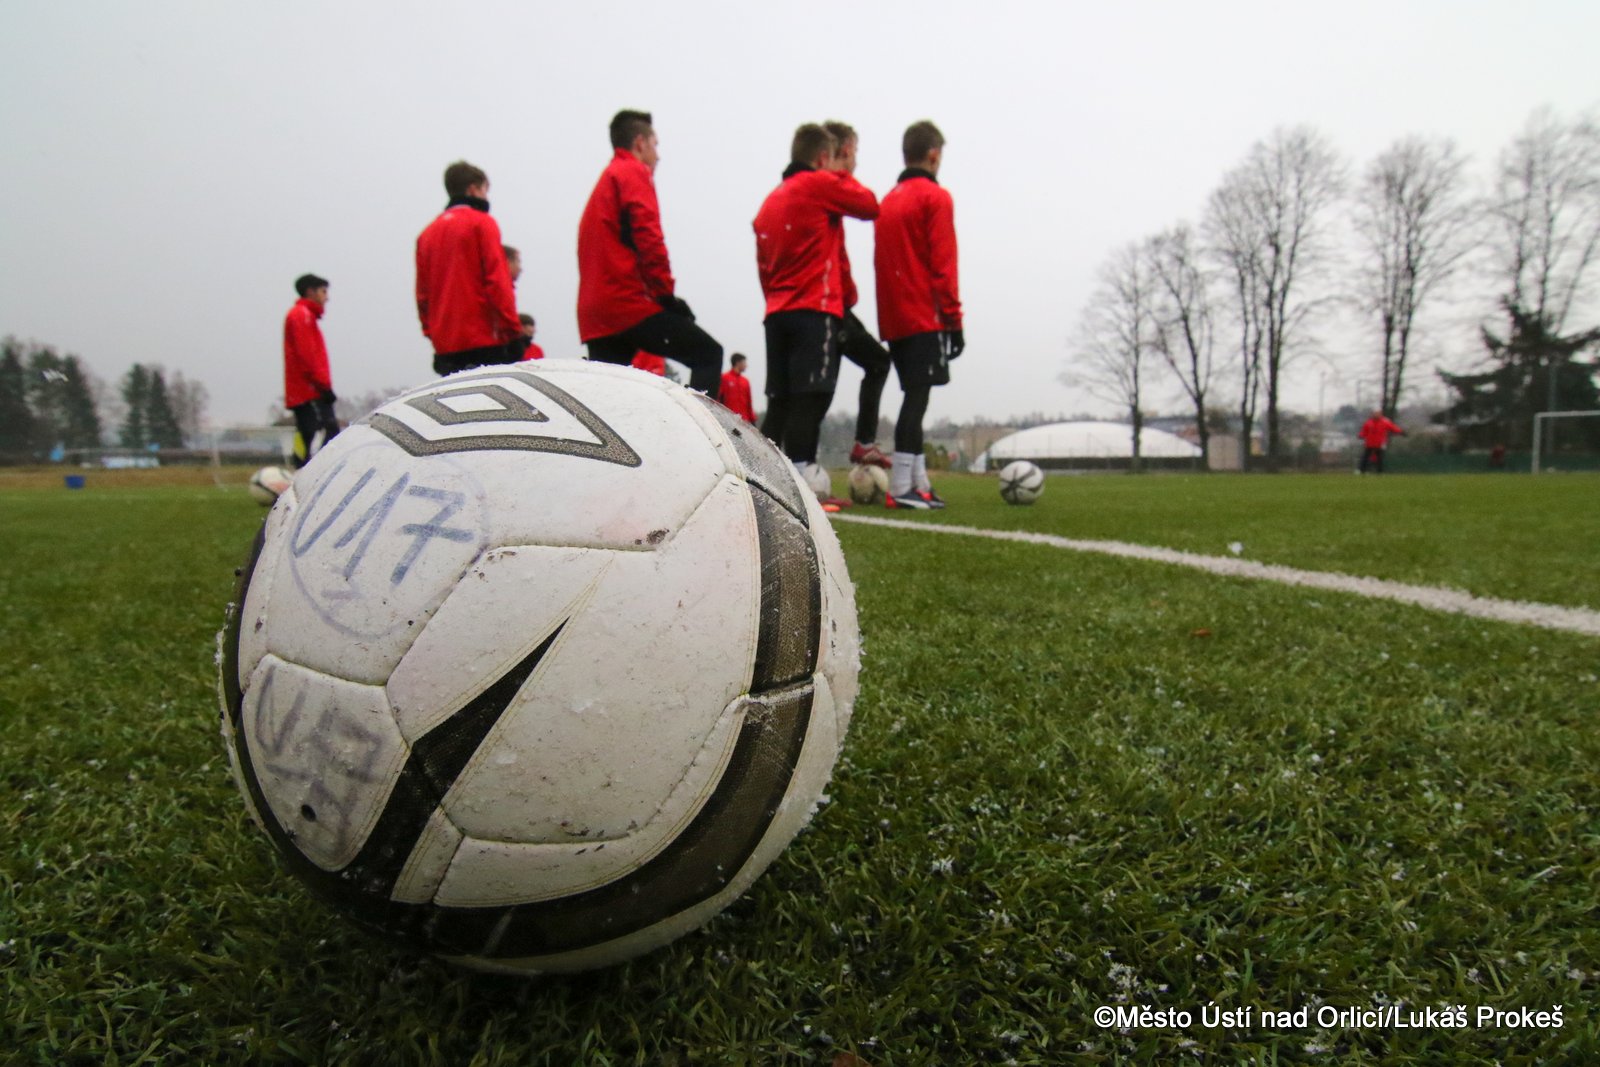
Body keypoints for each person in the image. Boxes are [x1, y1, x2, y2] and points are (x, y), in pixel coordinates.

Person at [754, 122, 879, 508]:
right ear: (824, 157)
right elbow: (870, 205)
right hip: (813, 309)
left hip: (777, 312)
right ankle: (803, 487)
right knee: (810, 397)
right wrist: (842, 172)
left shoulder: (770, 201)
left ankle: (760, 483)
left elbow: (764, 266)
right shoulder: (818, 184)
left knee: (780, 401)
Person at [578, 109, 723, 394]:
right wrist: (666, 296)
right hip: (627, 304)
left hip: (597, 313)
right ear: (640, 143)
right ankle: (694, 424)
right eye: (656, 145)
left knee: (609, 397)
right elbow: (648, 238)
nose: (658, 155)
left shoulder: (605, 181)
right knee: (708, 354)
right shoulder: (632, 172)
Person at [875, 120, 962, 509]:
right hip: (923, 313)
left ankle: (918, 482)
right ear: (933, 155)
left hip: (894, 316)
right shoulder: (935, 197)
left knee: (916, 395)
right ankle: (900, 487)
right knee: (916, 399)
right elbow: (944, 264)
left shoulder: (888, 200)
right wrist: (954, 320)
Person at [824, 120, 893, 471]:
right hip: (823, 306)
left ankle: (860, 444)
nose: (856, 162)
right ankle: (862, 443)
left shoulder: (819, 190)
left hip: (833, 304)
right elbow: (869, 205)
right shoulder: (825, 185)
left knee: (823, 388)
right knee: (817, 392)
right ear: (846, 150)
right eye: (855, 153)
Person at [416, 161, 524, 375]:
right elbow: (497, 281)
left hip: (446, 343)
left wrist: (432, 333)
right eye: (485, 190)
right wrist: (513, 332)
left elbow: (423, 295)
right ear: (473, 189)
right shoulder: (482, 223)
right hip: (484, 339)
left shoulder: (426, 235)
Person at [283, 273, 339, 467]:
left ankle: (301, 468)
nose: (327, 297)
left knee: (308, 432)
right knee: (326, 431)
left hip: (306, 389)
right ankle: (312, 471)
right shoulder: (302, 315)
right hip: (310, 391)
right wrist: (324, 387)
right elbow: (308, 356)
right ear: (310, 291)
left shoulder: (303, 316)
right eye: (323, 291)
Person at [1358, 409, 1404, 473]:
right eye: (1375, 413)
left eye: (1377, 413)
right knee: (1365, 457)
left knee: (1380, 459)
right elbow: (1364, 431)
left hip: (1379, 444)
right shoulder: (1368, 422)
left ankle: (1379, 472)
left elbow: (1393, 428)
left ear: (1380, 414)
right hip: (1369, 443)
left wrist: (1401, 432)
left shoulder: (1385, 422)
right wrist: (1361, 435)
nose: (1376, 415)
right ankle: (1362, 471)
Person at [719, 353, 757, 424]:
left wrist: (752, 419)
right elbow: (719, 398)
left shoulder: (745, 381)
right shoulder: (725, 378)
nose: (746, 365)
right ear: (737, 363)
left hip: (744, 420)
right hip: (729, 419)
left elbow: (749, 402)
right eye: (744, 363)